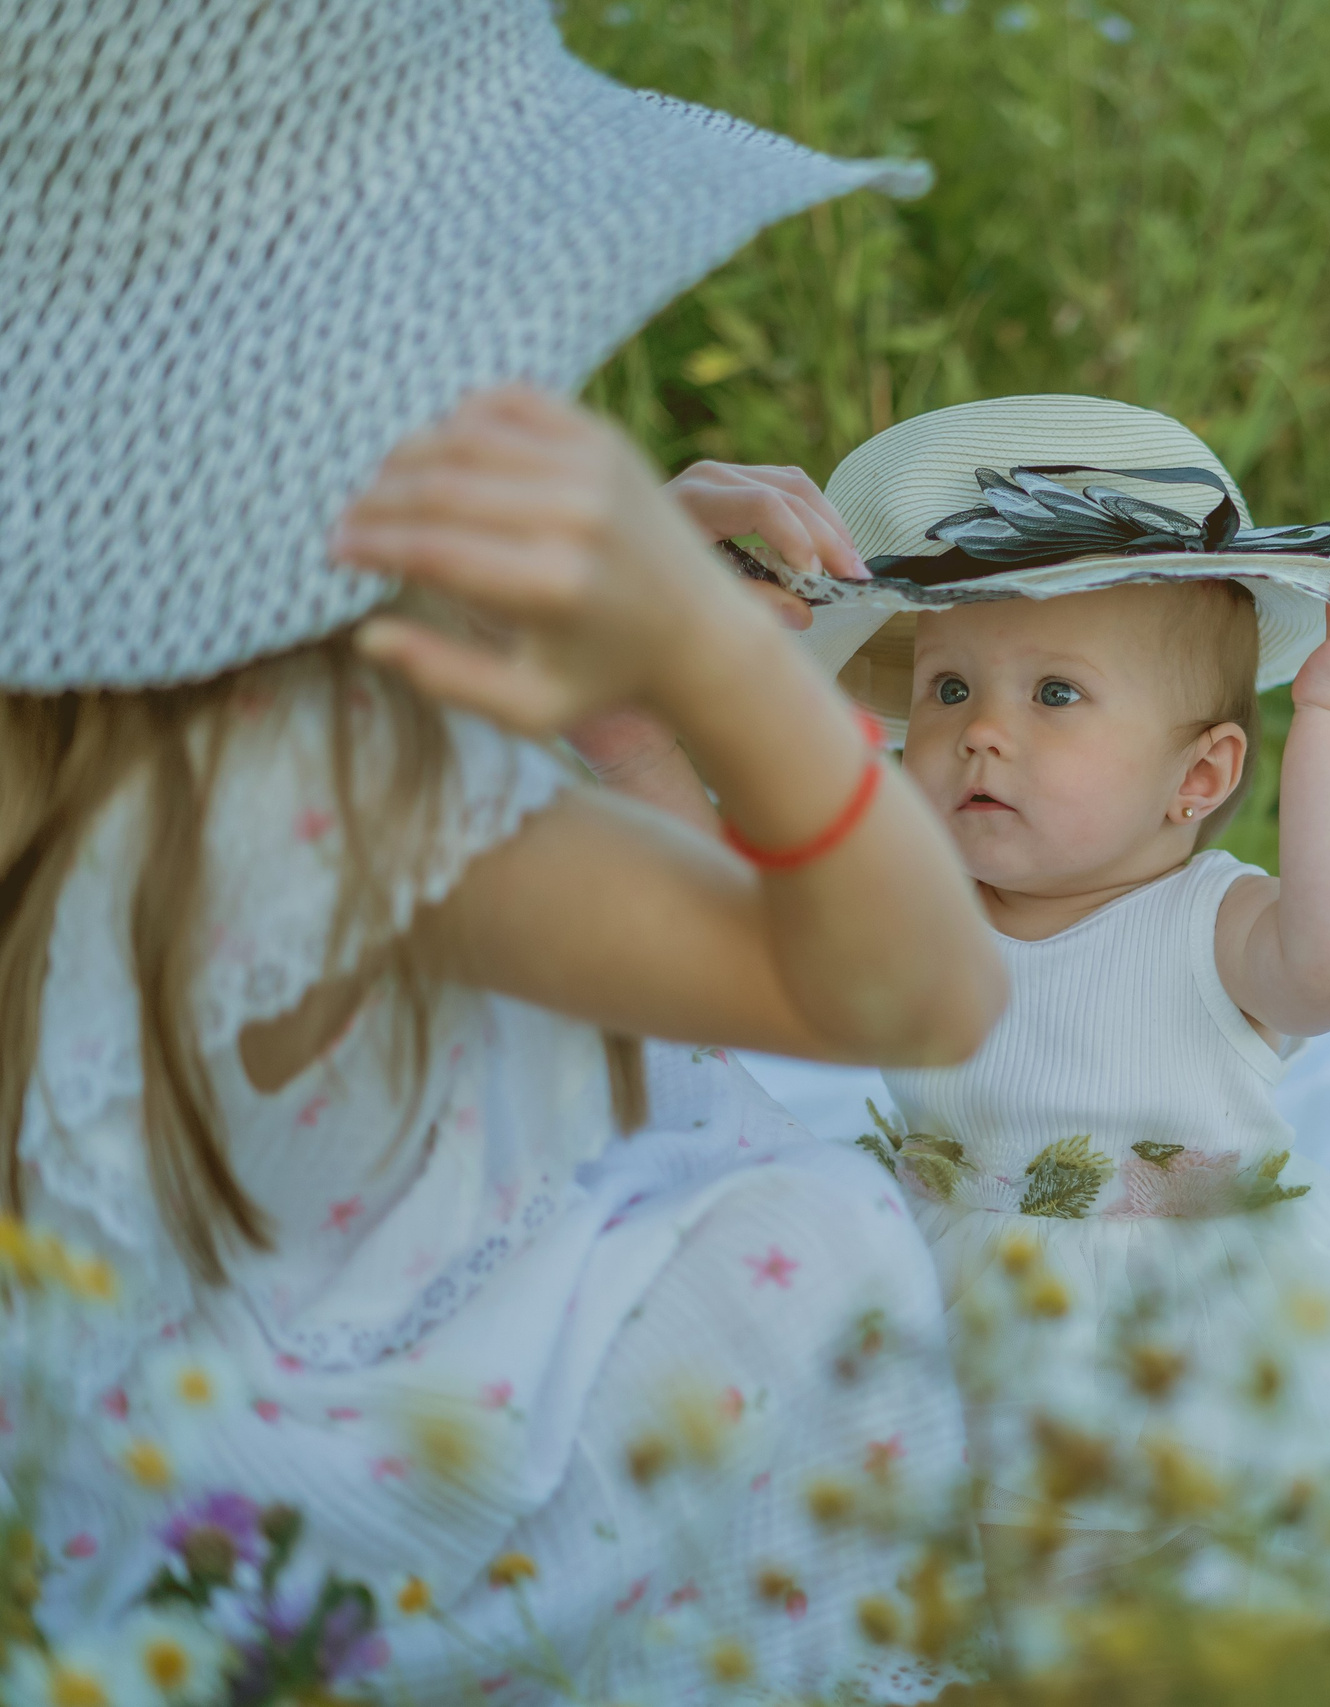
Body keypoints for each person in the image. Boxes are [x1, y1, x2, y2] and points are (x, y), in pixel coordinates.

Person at [0, 3, 1002, 1701]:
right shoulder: (346, 787)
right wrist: (711, 658)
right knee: (813, 1248)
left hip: (117, 1480)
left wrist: (560, 670)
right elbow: (920, 992)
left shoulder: (72, 736)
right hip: (375, 1531)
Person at [597, 395, 1330, 1621]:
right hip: (955, 1303)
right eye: (949, 688)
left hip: (1177, 1342)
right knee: (939, 1569)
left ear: (1199, 776)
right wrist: (636, 745)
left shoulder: (1213, 927)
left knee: (1253, 1576)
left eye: (1056, 695)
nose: (980, 734)